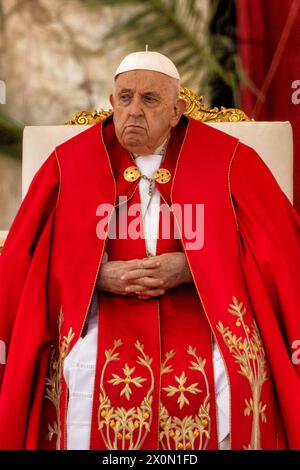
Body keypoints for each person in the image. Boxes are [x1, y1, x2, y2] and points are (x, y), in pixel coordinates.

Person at [0, 51, 300, 451]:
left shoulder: (229, 159)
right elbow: (29, 253)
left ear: (177, 110)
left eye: (149, 100)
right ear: (111, 102)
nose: (133, 111)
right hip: (97, 313)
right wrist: (96, 275)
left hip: (200, 311)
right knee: (82, 369)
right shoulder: (69, 164)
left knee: (227, 373)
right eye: (124, 98)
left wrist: (194, 266)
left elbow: (276, 247)